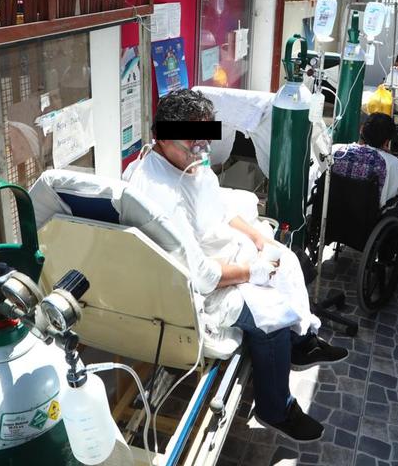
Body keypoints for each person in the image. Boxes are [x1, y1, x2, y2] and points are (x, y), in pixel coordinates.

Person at [123, 89, 347, 442]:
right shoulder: (157, 193)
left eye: (206, 137)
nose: (202, 149)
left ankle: (302, 342)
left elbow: (221, 210)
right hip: (195, 289)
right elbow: (201, 275)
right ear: (163, 137)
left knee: (287, 258)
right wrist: (252, 272)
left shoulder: (187, 162)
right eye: (193, 141)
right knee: (270, 314)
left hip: (222, 255)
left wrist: (261, 241)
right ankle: (275, 408)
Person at [326, 113, 398, 207]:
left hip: (332, 211)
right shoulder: (392, 164)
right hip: (368, 218)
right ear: (387, 141)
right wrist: (391, 157)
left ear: (361, 130)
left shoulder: (336, 150)